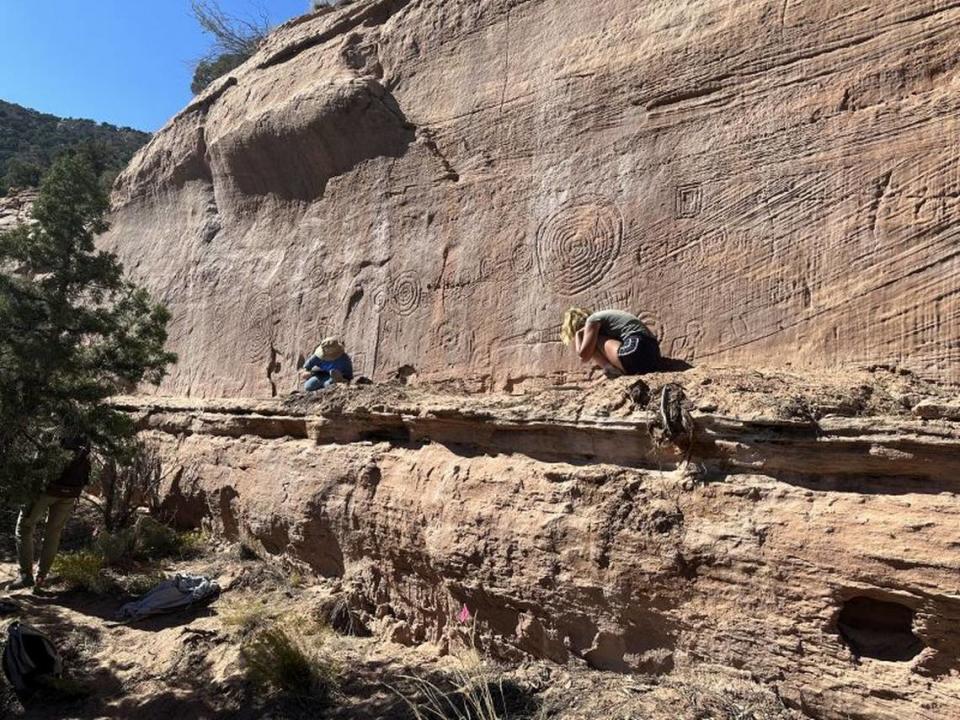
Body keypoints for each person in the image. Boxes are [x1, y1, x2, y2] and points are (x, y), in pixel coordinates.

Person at [11, 437, 91, 590]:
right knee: (53, 533)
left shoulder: (55, 427)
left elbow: (39, 460)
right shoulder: (83, 431)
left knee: (24, 527)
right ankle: (41, 578)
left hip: (47, 489)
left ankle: (25, 576)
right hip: (71, 490)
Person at [560, 307, 661, 378]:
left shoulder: (593, 320)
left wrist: (578, 335)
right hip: (653, 356)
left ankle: (611, 370)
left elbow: (583, 356)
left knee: (592, 343)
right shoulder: (608, 322)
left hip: (635, 349)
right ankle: (612, 370)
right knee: (593, 341)